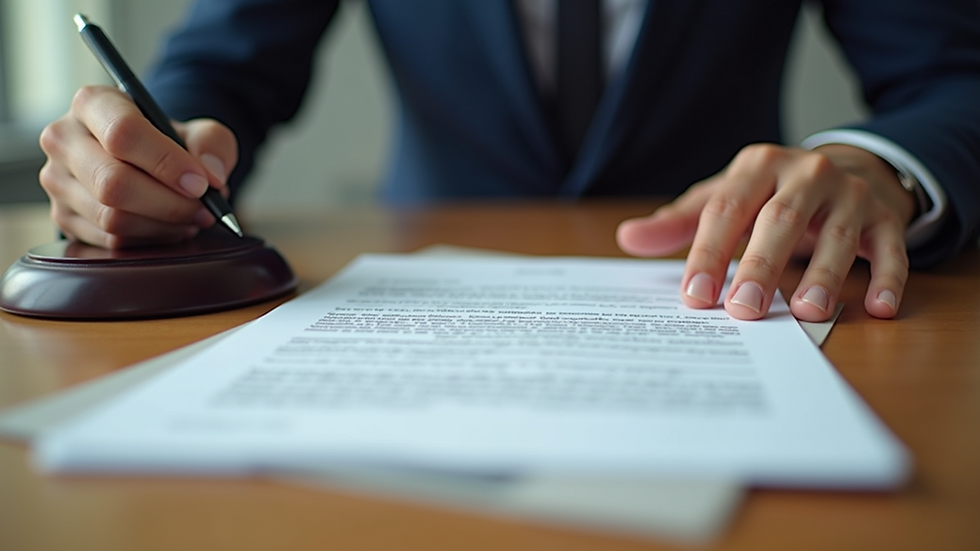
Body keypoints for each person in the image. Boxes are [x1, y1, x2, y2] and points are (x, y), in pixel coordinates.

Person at [37, 0, 980, 323]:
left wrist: (876, 162)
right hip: (421, 294)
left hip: (734, 287)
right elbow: (222, 64)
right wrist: (151, 152)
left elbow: (949, 77)